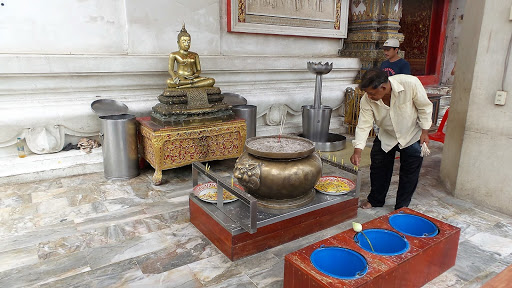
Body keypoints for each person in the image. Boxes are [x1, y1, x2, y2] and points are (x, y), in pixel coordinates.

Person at [350, 68, 432, 210]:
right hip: (386, 135)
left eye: (372, 93)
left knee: (409, 173)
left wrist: (425, 131)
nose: (369, 96)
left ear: (383, 87)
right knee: (378, 168)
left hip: (411, 134)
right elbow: (364, 125)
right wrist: (357, 150)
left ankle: (401, 206)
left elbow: (424, 107)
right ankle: (375, 200)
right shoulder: (367, 100)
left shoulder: (410, 83)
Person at [167, 24, 215, 89]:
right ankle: (191, 83)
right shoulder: (174, 54)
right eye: (184, 41)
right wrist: (174, 77)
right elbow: (170, 70)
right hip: (181, 77)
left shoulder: (195, 55)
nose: (187, 44)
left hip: (194, 77)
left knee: (211, 80)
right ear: (178, 42)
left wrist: (195, 75)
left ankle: (188, 85)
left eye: (189, 41)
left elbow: (198, 70)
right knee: (169, 82)